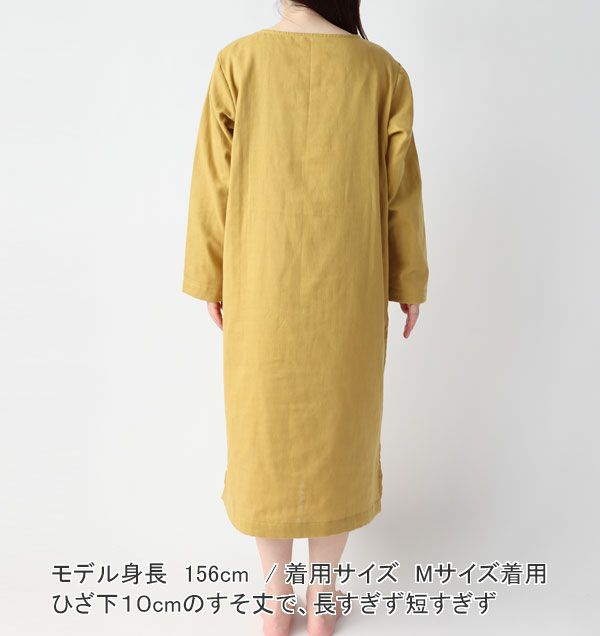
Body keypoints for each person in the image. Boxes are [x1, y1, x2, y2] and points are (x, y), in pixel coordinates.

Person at [181, 1, 429, 634]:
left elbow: (214, 181)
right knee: (339, 432)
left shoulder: (239, 61)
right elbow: (400, 190)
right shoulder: (381, 71)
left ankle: (275, 600)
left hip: (260, 280)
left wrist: (209, 275)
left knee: (262, 432)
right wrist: (408, 280)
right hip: (349, 286)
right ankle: (322, 598)